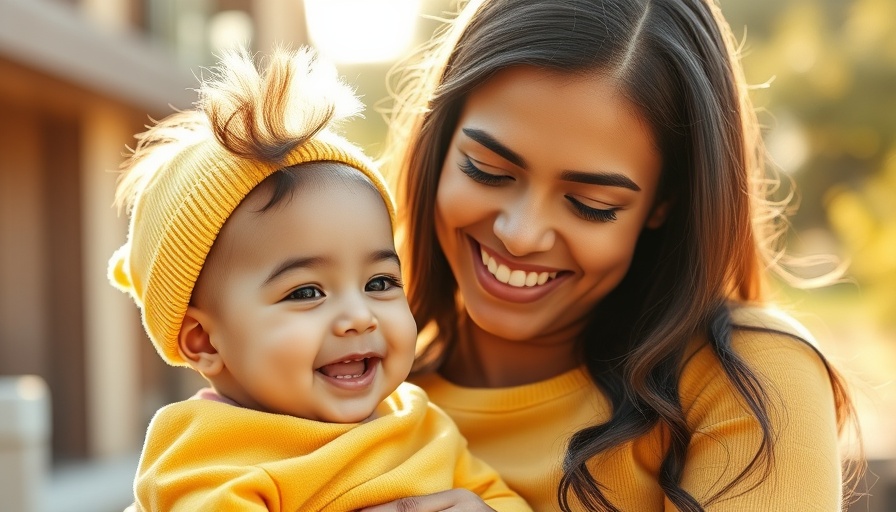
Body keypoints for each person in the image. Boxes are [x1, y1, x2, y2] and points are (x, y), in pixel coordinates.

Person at [370, 0, 865, 510]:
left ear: (662, 205)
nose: (520, 235)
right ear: (439, 141)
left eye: (591, 205)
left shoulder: (748, 377)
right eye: (487, 171)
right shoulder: (348, 386)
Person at [108, 46, 531, 512]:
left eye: (379, 282)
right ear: (204, 341)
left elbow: (498, 497)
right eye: (307, 291)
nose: (358, 317)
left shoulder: (417, 416)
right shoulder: (208, 453)